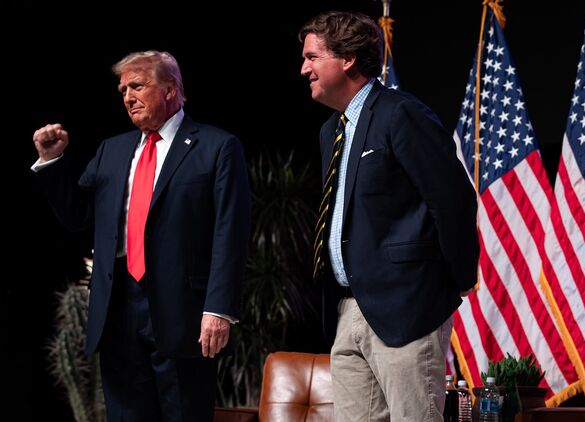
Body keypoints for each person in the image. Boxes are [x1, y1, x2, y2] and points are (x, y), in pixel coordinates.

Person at [31, 50, 251, 422]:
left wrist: (218, 309)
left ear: (170, 89)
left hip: (183, 312)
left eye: (137, 86)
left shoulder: (217, 147)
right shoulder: (112, 150)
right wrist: (52, 161)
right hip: (118, 307)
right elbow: (78, 216)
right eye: (123, 90)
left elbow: (230, 232)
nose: (128, 97)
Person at [300, 11, 479, 422]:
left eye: (312, 57)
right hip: (347, 310)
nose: (304, 69)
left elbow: (452, 199)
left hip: (406, 307)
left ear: (347, 59)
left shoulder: (401, 114)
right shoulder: (331, 131)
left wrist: (458, 277)